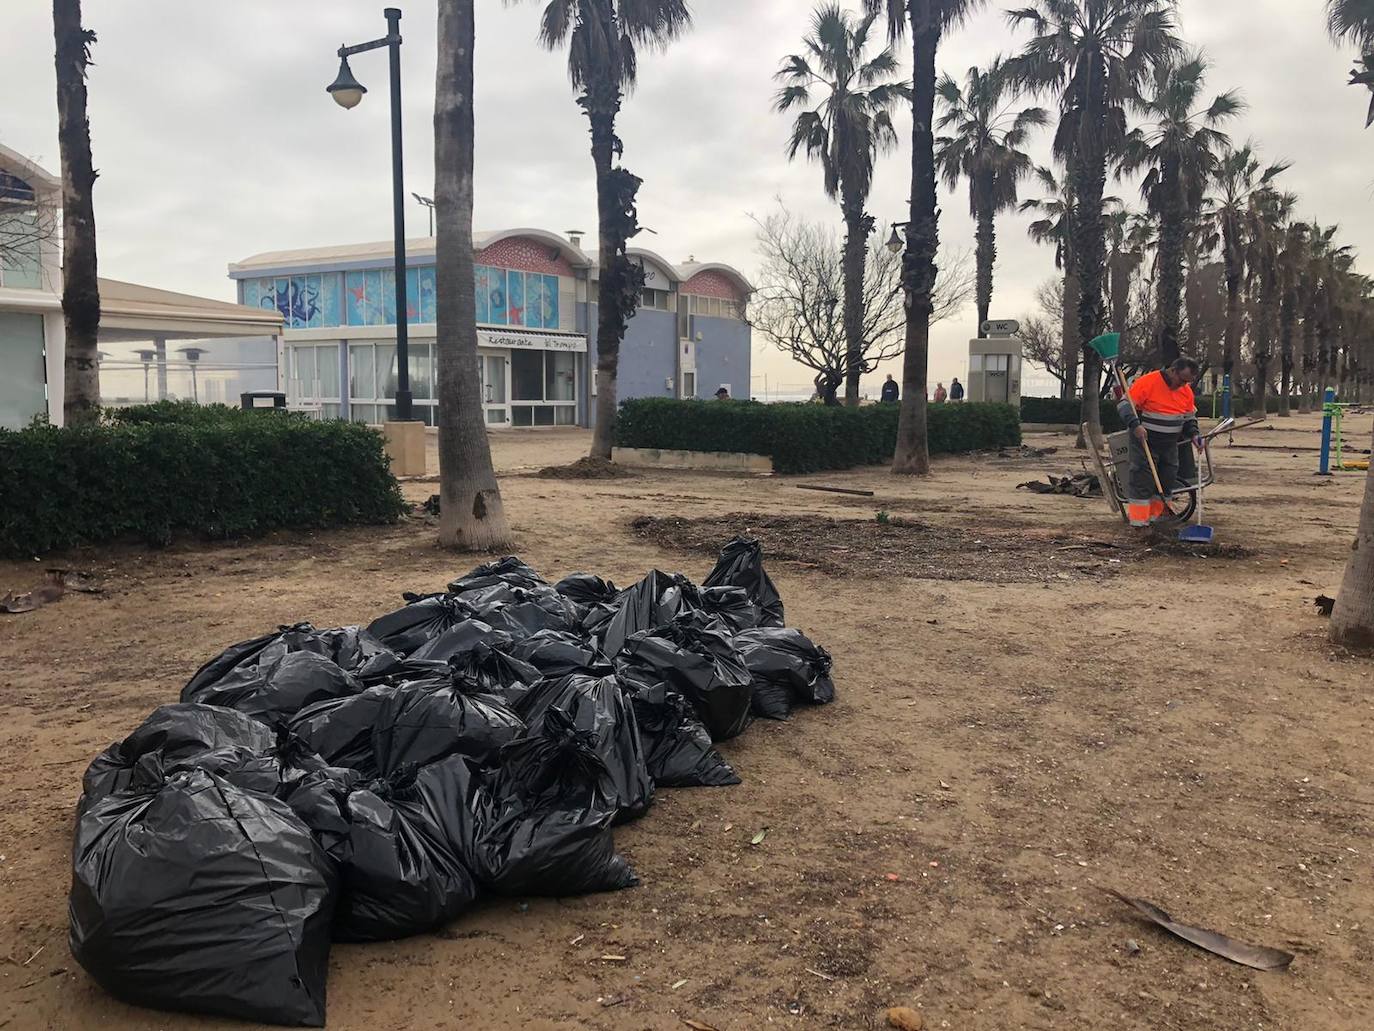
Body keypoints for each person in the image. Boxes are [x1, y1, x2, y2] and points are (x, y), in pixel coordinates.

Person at [1118, 356, 1203, 529]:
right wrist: (1135, 426)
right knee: (1142, 478)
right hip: (1145, 441)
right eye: (1181, 379)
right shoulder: (1148, 382)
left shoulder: (1185, 390)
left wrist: (1194, 435)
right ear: (1173, 370)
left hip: (1170, 443)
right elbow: (1124, 406)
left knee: (1167, 479)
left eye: (1187, 382)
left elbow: (1189, 418)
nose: (1182, 385)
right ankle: (1139, 523)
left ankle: (1158, 519)